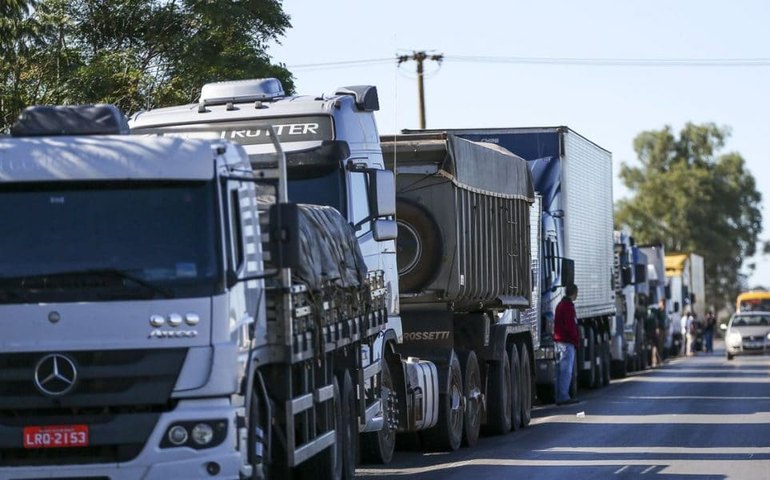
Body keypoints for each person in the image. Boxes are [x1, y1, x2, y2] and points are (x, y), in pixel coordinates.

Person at [554, 284, 580, 405]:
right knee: (566, 370)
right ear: (574, 293)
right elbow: (570, 326)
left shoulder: (560, 305)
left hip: (559, 341)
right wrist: (576, 339)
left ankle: (559, 395)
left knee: (560, 370)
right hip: (567, 342)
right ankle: (563, 396)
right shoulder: (568, 306)